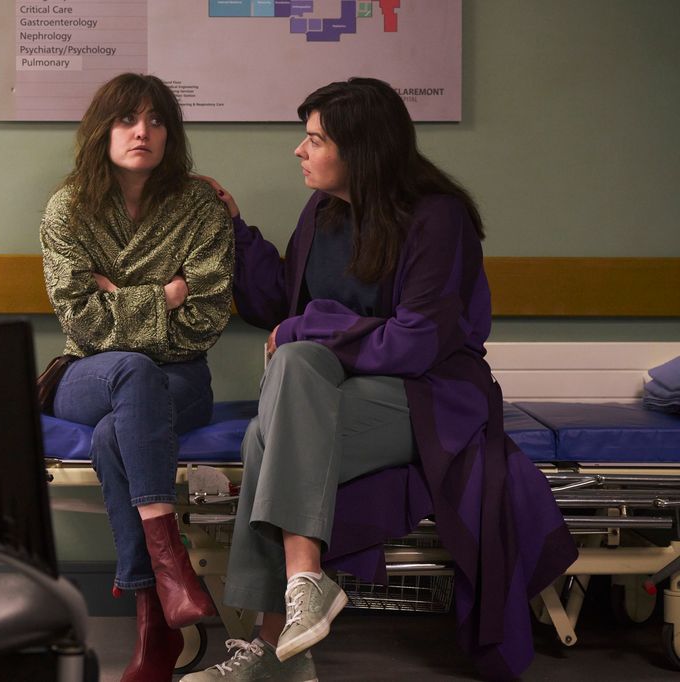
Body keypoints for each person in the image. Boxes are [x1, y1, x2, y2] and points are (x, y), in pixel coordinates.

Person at [185, 78, 576, 681]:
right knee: (289, 379)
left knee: (267, 435)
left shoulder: (438, 218)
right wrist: (234, 226)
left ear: (361, 150)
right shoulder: (324, 210)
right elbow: (282, 302)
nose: (299, 150)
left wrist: (310, 326)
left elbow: (416, 343)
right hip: (335, 391)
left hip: (429, 398)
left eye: (315, 139)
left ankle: (273, 651)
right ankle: (303, 590)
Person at [39, 72, 234, 682]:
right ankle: (170, 562)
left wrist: (118, 297)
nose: (141, 131)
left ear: (171, 134)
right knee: (131, 368)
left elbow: (204, 320)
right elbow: (81, 321)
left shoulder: (200, 207)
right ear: (103, 129)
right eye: (127, 119)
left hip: (182, 381)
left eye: (155, 120)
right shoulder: (68, 208)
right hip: (86, 376)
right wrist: (164, 297)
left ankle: (155, 624)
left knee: (113, 434)